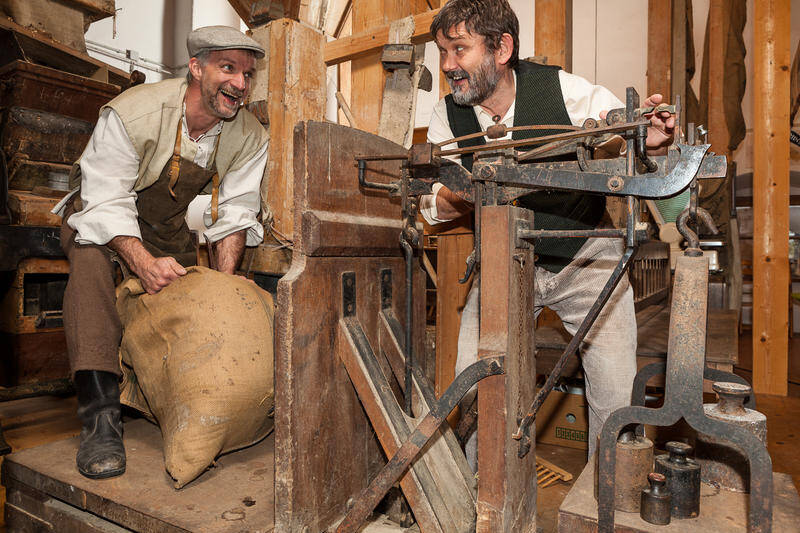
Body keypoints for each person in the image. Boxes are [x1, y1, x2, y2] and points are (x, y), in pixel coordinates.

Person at [420, 0, 675, 465]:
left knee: (616, 388)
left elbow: (626, 129)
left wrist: (651, 135)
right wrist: (463, 188)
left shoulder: (564, 90)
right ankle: (481, 496)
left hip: (585, 256)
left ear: (501, 48)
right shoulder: (446, 119)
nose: (449, 66)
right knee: (473, 382)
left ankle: (606, 498)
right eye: (443, 53)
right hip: (503, 256)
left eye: (459, 50)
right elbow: (432, 207)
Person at [52, 25, 269, 479]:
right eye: (227, 68)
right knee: (91, 269)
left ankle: (158, 398)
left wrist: (226, 284)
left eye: (247, 74)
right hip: (98, 217)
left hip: (165, 229)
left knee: (191, 299)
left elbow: (236, 211)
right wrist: (143, 264)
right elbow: (105, 201)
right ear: (196, 67)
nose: (239, 84)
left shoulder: (247, 135)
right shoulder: (135, 112)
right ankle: (101, 418)